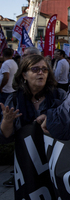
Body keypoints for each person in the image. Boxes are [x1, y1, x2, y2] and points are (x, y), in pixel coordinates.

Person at [0, 54, 66, 187]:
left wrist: (51, 118)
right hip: (27, 162)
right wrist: (7, 121)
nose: (41, 72)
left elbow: (69, 124)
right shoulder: (14, 99)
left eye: (44, 69)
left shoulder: (59, 95)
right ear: (24, 75)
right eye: (35, 69)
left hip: (56, 160)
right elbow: (6, 136)